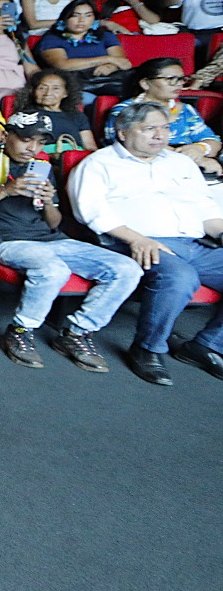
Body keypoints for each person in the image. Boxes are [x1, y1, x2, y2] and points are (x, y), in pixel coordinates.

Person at [0, 111, 142, 371]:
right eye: (26, 139)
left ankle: (78, 332)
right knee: (53, 268)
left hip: (52, 239)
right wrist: (5, 191)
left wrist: (49, 201)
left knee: (127, 268)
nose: (33, 148)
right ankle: (19, 330)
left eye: (40, 142)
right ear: (6, 136)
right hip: (6, 242)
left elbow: (54, 222)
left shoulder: (42, 169)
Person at [70, 101, 223, 385]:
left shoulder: (180, 162)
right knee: (179, 277)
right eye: (149, 129)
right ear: (123, 133)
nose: (160, 135)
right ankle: (147, 349)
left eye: (164, 128)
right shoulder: (99, 163)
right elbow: (90, 212)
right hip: (132, 241)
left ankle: (207, 346)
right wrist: (137, 239)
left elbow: (205, 210)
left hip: (193, 242)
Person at [103, 58, 222, 173]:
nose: (178, 84)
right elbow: (129, 146)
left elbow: (213, 141)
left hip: (190, 167)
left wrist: (200, 148)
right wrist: (190, 159)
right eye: (171, 79)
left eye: (181, 79)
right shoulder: (124, 111)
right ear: (145, 84)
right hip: (141, 169)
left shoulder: (186, 110)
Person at [36, 0, 131, 96]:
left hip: (106, 81)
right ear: (65, 17)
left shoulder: (106, 36)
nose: (81, 20)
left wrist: (111, 66)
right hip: (75, 84)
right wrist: (107, 59)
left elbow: (123, 62)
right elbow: (63, 65)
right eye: (75, 15)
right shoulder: (52, 39)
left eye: (88, 15)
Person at [19, 68, 97, 153]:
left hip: (76, 159)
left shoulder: (77, 116)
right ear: (33, 91)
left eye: (56, 88)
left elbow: (89, 146)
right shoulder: (26, 116)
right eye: (42, 88)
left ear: (66, 93)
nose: (48, 93)